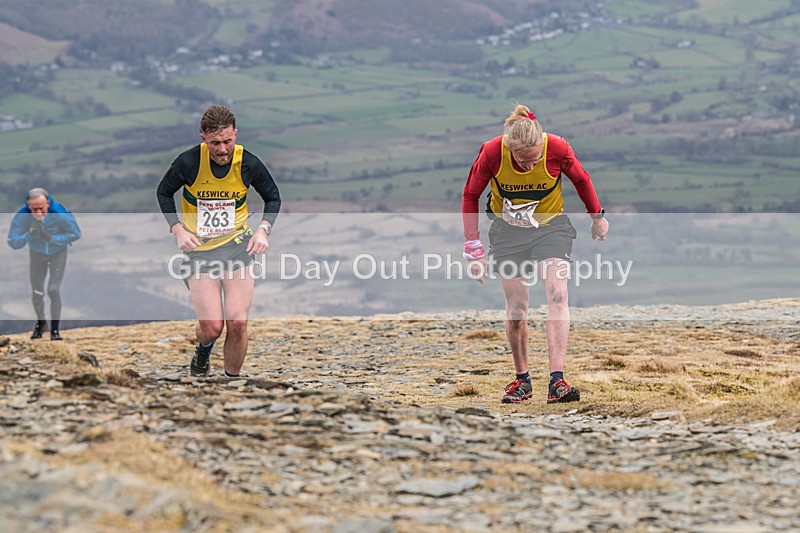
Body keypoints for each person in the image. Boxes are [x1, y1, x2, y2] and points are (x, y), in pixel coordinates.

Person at [462, 104, 609, 404]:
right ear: (511, 150)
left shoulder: (557, 148)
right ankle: (522, 381)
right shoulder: (492, 153)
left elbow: (581, 179)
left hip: (550, 228)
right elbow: (470, 195)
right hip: (507, 233)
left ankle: (557, 381)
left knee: (557, 295)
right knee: (517, 308)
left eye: (535, 160)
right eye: (522, 161)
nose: (530, 167)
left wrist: (597, 216)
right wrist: (473, 249)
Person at [156, 105, 281, 378]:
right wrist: (177, 229)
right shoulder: (188, 162)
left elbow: (273, 197)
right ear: (203, 139)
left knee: (237, 322)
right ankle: (203, 348)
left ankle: (231, 382)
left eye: (227, 141)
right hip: (199, 253)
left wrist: (263, 230)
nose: (222, 149)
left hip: (237, 248)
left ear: (235, 134)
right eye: (215, 143)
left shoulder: (248, 163)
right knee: (213, 327)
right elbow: (163, 193)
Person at [7, 188, 82, 340]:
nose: (39, 212)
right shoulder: (23, 216)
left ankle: (55, 331)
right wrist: (29, 234)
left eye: (42, 208)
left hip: (57, 254)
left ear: (48, 202)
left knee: (53, 290)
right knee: (37, 292)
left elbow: (75, 234)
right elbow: (13, 242)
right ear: (28, 205)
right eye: (34, 209)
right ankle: (41, 323)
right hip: (36, 255)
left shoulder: (59, 213)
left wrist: (53, 239)